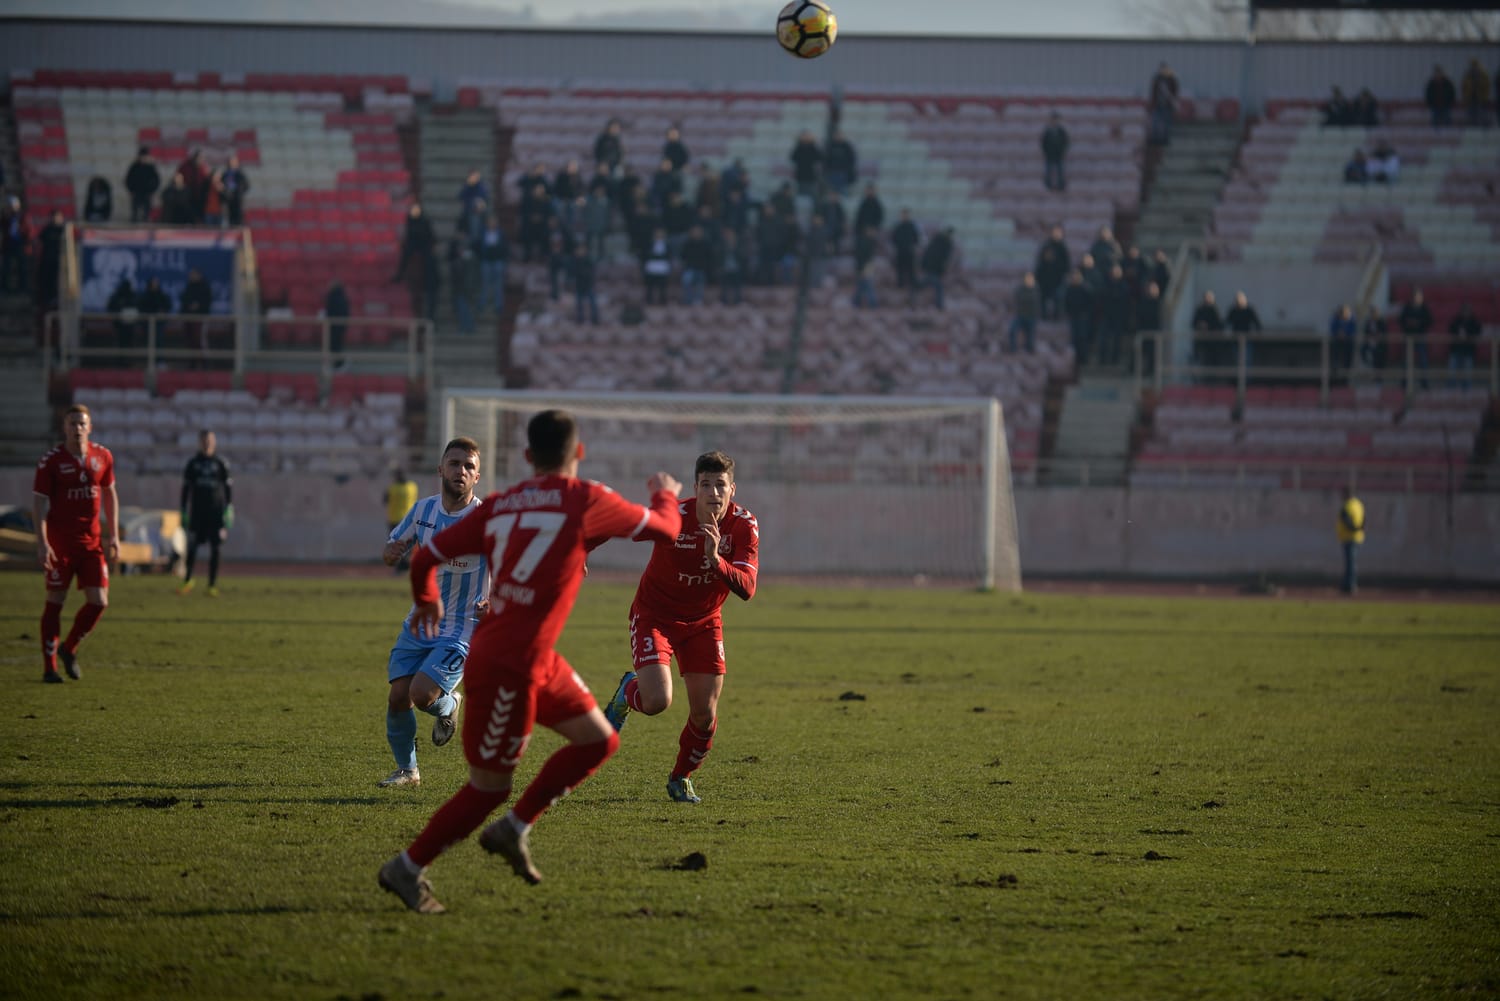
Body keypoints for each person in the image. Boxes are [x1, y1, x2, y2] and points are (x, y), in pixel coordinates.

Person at [377, 410, 683, 913]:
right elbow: (668, 528)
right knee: (487, 790)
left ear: (526, 456)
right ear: (578, 453)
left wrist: (427, 600)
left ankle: (514, 828)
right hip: (507, 667)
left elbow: (426, 556)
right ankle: (406, 868)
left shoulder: (502, 504)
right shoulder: (588, 498)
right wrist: (664, 492)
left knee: (599, 740)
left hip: (536, 658)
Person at [603, 450, 757, 805]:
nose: (714, 493)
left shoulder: (744, 525)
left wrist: (715, 560)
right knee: (657, 701)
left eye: (721, 485)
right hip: (654, 616)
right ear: (695, 488)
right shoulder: (676, 517)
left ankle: (681, 777)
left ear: (733, 489)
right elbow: (626, 527)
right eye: (706, 485)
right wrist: (583, 547)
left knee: (705, 715)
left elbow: (748, 588)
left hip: (704, 622)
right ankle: (628, 691)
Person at [377, 438, 489, 789]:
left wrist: (496, 599)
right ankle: (407, 771)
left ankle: (449, 704)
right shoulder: (423, 511)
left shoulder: (487, 520)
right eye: (454, 463)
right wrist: (391, 552)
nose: (461, 471)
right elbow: (392, 547)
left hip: (464, 625)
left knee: (421, 694)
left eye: (469, 466)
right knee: (398, 697)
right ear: (441, 469)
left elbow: (512, 563)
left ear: (477, 476)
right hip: (422, 619)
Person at [33, 405, 118, 684]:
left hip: (91, 544)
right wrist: (43, 542)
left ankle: (69, 648)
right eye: (72, 423)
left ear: (90, 428)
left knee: (99, 601)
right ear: (64, 428)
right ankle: (49, 668)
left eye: (82, 424)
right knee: (55, 600)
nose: (77, 428)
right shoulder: (51, 461)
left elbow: (110, 494)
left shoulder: (102, 456)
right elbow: (39, 503)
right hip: (61, 545)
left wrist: (114, 535)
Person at [177, 429, 233, 597]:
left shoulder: (221, 463)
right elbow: (186, 489)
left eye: (210, 440)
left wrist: (229, 508)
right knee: (192, 547)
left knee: (216, 548)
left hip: (216, 514)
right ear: (200, 442)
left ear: (214, 442)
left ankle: (212, 585)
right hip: (197, 513)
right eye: (204, 440)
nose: (207, 443)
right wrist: (183, 510)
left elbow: (228, 488)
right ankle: (188, 580)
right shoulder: (193, 464)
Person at [384, 470, 419, 572]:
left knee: (395, 544)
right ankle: (407, 565)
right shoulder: (412, 487)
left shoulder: (393, 488)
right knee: (409, 544)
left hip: (395, 519)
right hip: (409, 520)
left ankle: (400, 566)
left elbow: (385, 499)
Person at [912, 226, 954, 310]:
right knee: (937, 286)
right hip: (934, 268)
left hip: (931, 267)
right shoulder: (945, 244)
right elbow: (943, 258)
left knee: (929, 282)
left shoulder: (937, 241)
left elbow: (927, 254)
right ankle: (939, 305)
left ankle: (915, 288)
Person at [1398, 289, 1433, 385]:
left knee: (1423, 360)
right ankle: (1404, 382)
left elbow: (1429, 321)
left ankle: (1424, 382)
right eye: (1415, 297)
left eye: (1418, 297)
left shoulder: (1424, 308)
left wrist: (1419, 323)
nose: (1417, 299)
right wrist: (1409, 324)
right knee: (1406, 361)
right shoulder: (1407, 307)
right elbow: (1401, 320)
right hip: (1409, 337)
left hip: (1420, 337)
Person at [1337, 486, 1364, 596]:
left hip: (1348, 537)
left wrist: (1352, 528)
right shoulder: (1358, 504)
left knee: (1350, 563)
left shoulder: (1347, 506)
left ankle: (1350, 585)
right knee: (1351, 563)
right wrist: (1358, 529)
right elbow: (1363, 519)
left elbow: (1346, 520)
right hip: (1356, 536)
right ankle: (1348, 584)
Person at [1447, 302, 1481, 389]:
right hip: (1456, 349)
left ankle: (1467, 388)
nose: (1465, 313)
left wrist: (1467, 334)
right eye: (1464, 311)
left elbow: (1477, 332)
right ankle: (1451, 387)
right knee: (1452, 368)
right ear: (1461, 311)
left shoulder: (1474, 321)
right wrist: (1458, 334)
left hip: (1468, 350)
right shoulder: (1456, 320)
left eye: (1467, 311)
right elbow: (1450, 330)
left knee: (1467, 371)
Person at [124, 146, 161, 222]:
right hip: (136, 192)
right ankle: (134, 222)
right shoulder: (134, 167)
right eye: (142, 156)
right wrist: (131, 190)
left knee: (146, 212)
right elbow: (128, 180)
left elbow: (156, 180)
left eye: (145, 156)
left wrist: (152, 191)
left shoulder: (150, 167)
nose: (143, 158)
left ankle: (145, 222)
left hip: (147, 192)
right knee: (135, 212)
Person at [1148, 62, 1180, 146]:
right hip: (1158, 105)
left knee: (1166, 123)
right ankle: (1155, 139)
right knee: (1155, 123)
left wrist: (1173, 104)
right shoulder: (1157, 79)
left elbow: (1175, 93)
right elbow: (1153, 93)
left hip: (1167, 106)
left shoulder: (1172, 79)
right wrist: (1152, 104)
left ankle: (1165, 139)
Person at [1008, 272, 1040, 353]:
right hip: (1020, 316)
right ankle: (1013, 349)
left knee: (1030, 336)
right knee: (1012, 331)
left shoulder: (1035, 290)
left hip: (1031, 317)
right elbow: (1016, 300)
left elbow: (1035, 303)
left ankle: (1029, 350)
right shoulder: (1020, 290)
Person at [1041, 112, 1069, 191]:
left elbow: (1065, 142)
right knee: (1048, 170)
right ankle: (1048, 184)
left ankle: (1061, 184)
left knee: (1060, 170)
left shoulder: (1061, 131)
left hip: (1058, 154)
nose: (1054, 121)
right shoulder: (1047, 131)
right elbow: (1044, 143)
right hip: (1050, 154)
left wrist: (1062, 151)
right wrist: (1046, 152)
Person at [324, 279, 350, 364]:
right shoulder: (343, 296)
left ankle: (338, 363)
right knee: (336, 345)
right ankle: (337, 363)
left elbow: (330, 311)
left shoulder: (332, 297)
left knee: (334, 345)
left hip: (334, 325)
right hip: (340, 325)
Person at [1329, 304, 1358, 379]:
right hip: (1338, 341)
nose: (1344, 314)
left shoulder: (1351, 321)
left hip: (1348, 342)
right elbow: (1333, 329)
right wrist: (1338, 334)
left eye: (1346, 312)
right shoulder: (1336, 320)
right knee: (1334, 350)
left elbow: (1353, 330)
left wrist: (1346, 334)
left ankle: (1347, 373)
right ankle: (1335, 369)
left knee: (1348, 356)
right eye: (1342, 312)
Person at [825, 130, 857, 195]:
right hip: (833, 172)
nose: (838, 137)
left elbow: (851, 158)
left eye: (839, 135)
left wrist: (848, 169)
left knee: (843, 191)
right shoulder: (830, 146)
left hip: (843, 173)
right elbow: (826, 159)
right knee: (833, 191)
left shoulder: (847, 146)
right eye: (837, 136)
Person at [221, 154, 250, 226]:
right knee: (230, 217)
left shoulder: (240, 174)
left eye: (232, 162)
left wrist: (239, 191)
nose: (230, 163)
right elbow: (221, 184)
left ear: (236, 163)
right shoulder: (225, 174)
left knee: (238, 216)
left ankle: (238, 227)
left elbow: (247, 185)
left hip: (237, 199)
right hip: (228, 198)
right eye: (229, 162)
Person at [1462, 59, 1491, 126]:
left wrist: (1485, 96)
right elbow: (1464, 87)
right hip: (1470, 98)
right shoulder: (1468, 75)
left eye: (1475, 65)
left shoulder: (1483, 74)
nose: (1474, 67)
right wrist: (1465, 96)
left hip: (1480, 98)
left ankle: (1480, 126)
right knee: (1470, 114)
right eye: (1472, 65)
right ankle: (1472, 126)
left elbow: (1486, 86)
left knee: (1480, 113)